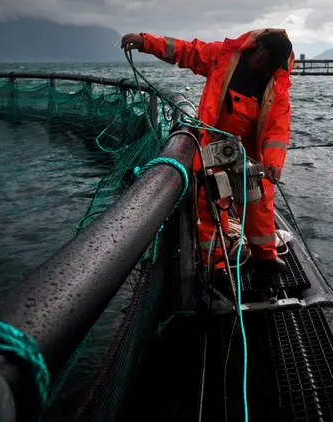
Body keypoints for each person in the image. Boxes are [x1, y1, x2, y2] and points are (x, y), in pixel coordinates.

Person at [121, 28, 294, 273]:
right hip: (212, 143)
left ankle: (265, 258)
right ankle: (216, 264)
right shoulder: (222, 56)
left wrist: (274, 164)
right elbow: (185, 51)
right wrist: (145, 42)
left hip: (249, 153)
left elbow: (277, 130)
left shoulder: (277, 85)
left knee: (259, 201)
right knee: (211, 201)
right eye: (270, 62)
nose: (272, 69)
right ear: (259, 50)